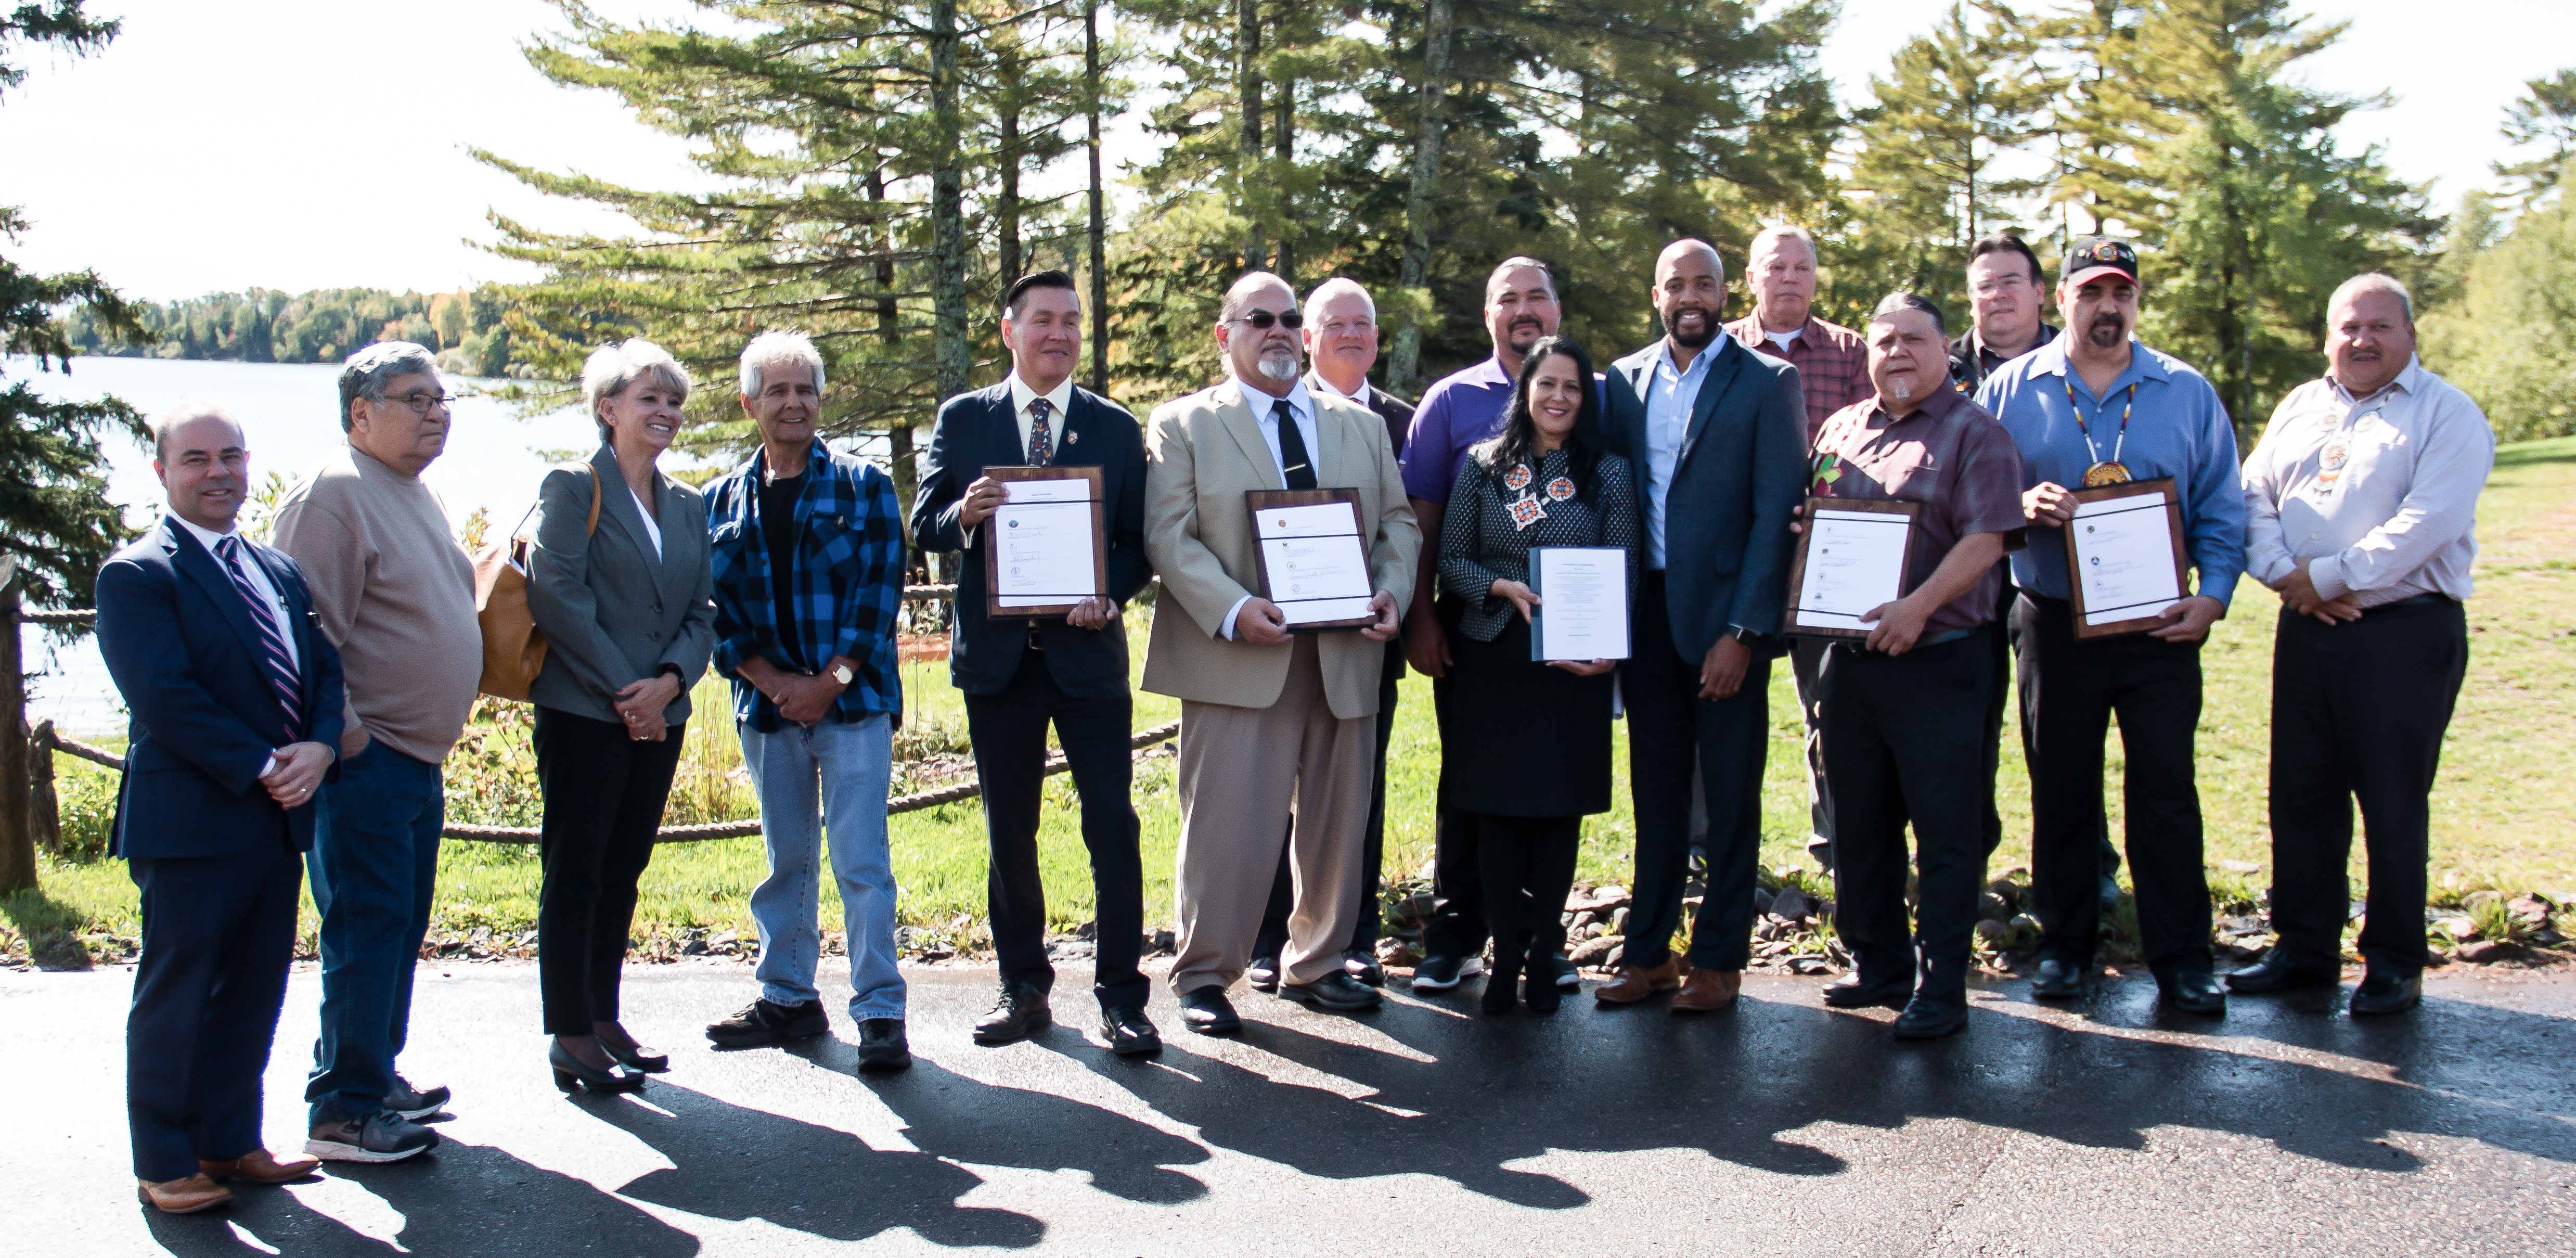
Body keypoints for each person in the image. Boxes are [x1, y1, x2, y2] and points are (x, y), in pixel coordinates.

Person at [1140, 271, 1420, 1033]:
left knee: (1338, 820)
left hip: (1344, 655)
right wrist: (1233, 609)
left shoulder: (1359, 426)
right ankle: (1204, 973)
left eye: (1289, 318)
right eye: (1257, 318)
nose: (1277, 330)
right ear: (1224, 334)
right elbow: (1169, 536)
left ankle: (1319, 961)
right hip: (1239, 654)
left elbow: (1398, 523)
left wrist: (1393, 589)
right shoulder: (1183, 424)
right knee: (1226, 824)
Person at [1975, 237, 2245, 1016]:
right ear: (2060, 300)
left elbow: (2223, 506)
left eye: (2121, 293)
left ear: (2136, 302)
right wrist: (2019, 509)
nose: (2107, 308)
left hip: (2162, 625)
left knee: (2166, 792)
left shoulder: (2185, 390)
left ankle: (2183, 957)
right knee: (2061, 789)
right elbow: (1976, 498)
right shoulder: (2010, 390)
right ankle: (2065, 947)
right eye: (2091, 293)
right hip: (2054, 621)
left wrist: (2215, 597)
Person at [99, 403, 349, 1213]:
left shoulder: (277, 568)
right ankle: (165, 1159)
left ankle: (230, 1141)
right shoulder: (139, 574)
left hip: (278, 816)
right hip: (195, 820)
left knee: (253, 987)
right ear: (163, 472)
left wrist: (317, 745)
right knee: (179, 991)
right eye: (197, 458)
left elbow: (322, 669)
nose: (218, 473)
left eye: (231, 457)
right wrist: (264, 764)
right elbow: (165, 696)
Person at [911, 271, 1161, 1056]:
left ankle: (1124, 995)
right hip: (999, 663)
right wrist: (966, 514)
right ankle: (1023, 987)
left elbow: (1136, 547)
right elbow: (923, 523)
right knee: (1008, 830)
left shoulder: (1115, 429)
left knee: (1111, 826)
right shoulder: (964, 419)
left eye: (1073, 322)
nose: (1060, 334)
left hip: (1087, 658)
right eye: (1044, 321)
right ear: (1008, 330)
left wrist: (1109, 593)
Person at [2231, 274, 2494, 1017]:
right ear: (2327, 335)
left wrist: (2334, 576)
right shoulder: (2300, 405)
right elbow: (2253, 496)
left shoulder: (2448, 415)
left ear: (2411, 335)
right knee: (2303, 794)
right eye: (2349, 326)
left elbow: (2429, 521)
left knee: (2391, 798)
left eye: (2380, 326)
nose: (2363, 340)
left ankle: (2394, 961)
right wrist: (2285, 574)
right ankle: (2305, 949)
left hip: (2404, 632)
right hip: (2306, 624)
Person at [273, 342, 481, 1162]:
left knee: (398, 924)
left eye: (441, 397)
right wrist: (346, 730)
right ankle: (345, 1109)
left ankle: (370, 1072)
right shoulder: (334, 494)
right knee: (367, 927)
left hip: (411, 758)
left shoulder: (406, 486)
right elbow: (299, 633)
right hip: (366, 760)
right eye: (415, 399)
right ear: (361, 413)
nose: (438, 412)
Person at [1804, 295, 2027, 1040]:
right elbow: (1817, 513)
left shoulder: (1976, 434)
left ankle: (1941, 984)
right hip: (1852, 661)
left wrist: (1918, 607)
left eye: (1914, 339)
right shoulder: (1842, 426)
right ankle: (1881, 964)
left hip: (1939, 659)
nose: (1897, 352)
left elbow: (1989, 539)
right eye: (1884, 340)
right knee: (1859, 822)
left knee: (1945, 830)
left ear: (1944, 350)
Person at [1597, 239, 1806, 1012]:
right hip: (1645, 617)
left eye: (1705, 284)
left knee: (1727, 797)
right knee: (1654, 795)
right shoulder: (1624, 381)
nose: (1691, 296)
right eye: (1676, 284)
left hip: (1723, 624)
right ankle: (1647, 953)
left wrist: (1745, 632)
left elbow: (1772, 518)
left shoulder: (1767, 382)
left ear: (1726, 294)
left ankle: (1719, 958)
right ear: (1656, 294)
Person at [700, 331, 913, 1070]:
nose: (794, 402)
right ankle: (787, 996)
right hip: (768, 712)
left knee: (862, 862)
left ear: (822, 400)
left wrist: (830, 682)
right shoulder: (719, 500)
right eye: (778, 390)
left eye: (806, 390)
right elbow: (713, 609)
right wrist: (776, 684)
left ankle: (880, 1010)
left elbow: (879, 595)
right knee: (785, 860)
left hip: (852, 707)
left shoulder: (864, 485)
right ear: (749, 401)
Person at [524, 338, 715, 1091]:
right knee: (575, 870)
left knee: (623, 868)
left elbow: (702, 612)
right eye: (649, 398)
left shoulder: (689, 504)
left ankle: (604, 1016)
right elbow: (557, 597)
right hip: (584, 714)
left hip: (660, 716)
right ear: (608, 410)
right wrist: (625, 690)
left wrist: (666, 683)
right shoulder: (573, 487)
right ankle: (570, 1032)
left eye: (674, 401)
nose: (665, 412)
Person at [1436, 336, 1637, 1015]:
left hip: (1571, 661)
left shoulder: (1607, 474)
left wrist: (1608, 643)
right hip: (1494, 657)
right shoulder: (1483, 466)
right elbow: (1451, 562)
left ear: (1586, 399)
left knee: (1556, 813)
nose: (1558, 397)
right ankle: (1503, 960)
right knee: (1497, 814)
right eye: (1546, 383)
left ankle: (1546, 956)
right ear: (1525, 390)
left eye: (1572, 387)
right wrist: (1500, 586)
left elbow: (1625, 568)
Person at [1397, 257, 1565, 993]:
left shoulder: (1593, 395)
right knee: (1468, 776)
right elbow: (1423, 519)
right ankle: (1457, 931)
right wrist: (1422, 615)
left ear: (1557, 309)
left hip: (1568, 633)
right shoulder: (1451, 399)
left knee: (1554, 781)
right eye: (1508, 300)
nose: (1523, 310)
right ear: (1487, 315)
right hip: (1473, 627)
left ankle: (1541, 939)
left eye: (1537, 297)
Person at [1246, 276, 1418, 991]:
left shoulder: (1405, 422)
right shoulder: (1268, 408)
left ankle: (1349, 938)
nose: (1351, 334)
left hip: (1363, 639)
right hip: (1270, 638)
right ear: (1307, 338)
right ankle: (1265, 937)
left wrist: (1397, 599)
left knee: (1354, 797)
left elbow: (1409, 525)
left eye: (1364, 324)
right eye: (1333, 322)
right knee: (1265, 791)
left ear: (1378, 339)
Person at [1723, 224, 1869, 871]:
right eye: (1775, 268)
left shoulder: (1851, 352)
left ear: (1816, 278)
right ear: (1750, 279)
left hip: (1828, 562)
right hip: (1738, 559)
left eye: (1801, 269)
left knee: (1832, 705)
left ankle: (1837, 843)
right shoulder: (1718, 350)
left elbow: (1876, 450)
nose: (1788, 278)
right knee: (1720, 704)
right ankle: (1712, 851)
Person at [1949, 234, 2060, 396]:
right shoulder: (1942, 370)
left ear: (2039, 292)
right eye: (1985, 287)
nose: (1998, 294)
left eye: (2010, 283)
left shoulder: (2075, 358)